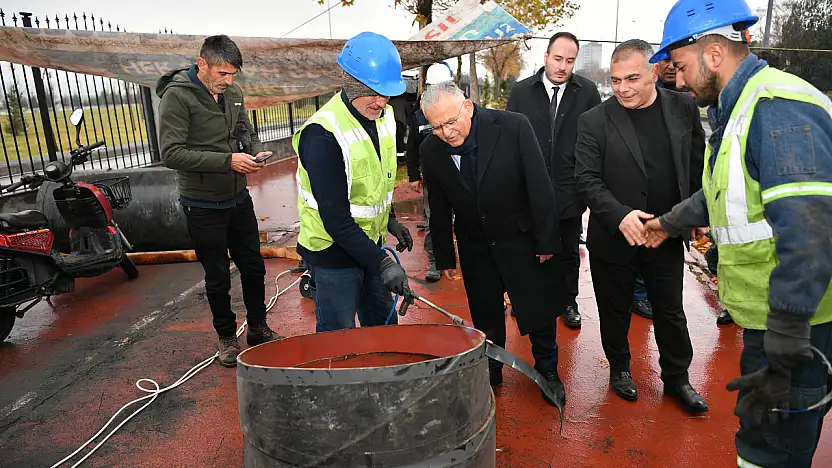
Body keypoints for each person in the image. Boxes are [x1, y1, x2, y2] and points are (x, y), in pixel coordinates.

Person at [644, 0, 832, 464]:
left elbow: (811, 228)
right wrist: (667, 224)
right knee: (761, 438)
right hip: (774, 319)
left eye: (682, 67)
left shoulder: (774, 107)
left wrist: (787, 341)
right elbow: (721, 193)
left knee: (771, 448)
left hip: (794, 325)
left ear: (712, 53)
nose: (681, 82)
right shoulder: (741, 109)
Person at [574, 39, 708, 413]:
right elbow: (585, 179)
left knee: (670, 311)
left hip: (665, 234)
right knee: (613, 311)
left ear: (653, 71)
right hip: (613, 238)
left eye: (632, 78)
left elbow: (696, 166)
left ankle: (678, 380)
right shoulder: (594, 121)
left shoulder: (683, 107)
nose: (623, 88)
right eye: (616, 81)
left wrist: (696, 216)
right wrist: (621, 215)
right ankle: (620, 370)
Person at [419, 81, 566, 407]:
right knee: (485, 314)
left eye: (451, 121)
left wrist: (547, 241)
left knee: (538, 311)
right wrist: (444, 257)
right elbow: (438, 205)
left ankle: (548, 372)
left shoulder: (513, 126)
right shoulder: (431, 149)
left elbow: (539, 185)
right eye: (436, 126)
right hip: (475, 245)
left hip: (522, 239)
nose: (446, 132)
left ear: (467, 107)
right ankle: (492, 369)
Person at [157, 35, 280, 367]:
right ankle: (226, 339)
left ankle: (257, 327)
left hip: (238, 198)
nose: (229, 81)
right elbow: (171, 153)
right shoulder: (176, 97)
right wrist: (228, 160)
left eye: (233, 74)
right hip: (202, 204)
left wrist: (254, 153)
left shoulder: (234, 94)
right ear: (202, 65)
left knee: (254, 267)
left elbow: (246, 133)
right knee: (217, 277)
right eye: (223, 74)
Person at [292, 32, 413, 333]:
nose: (382, 101)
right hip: (333, 252)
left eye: (387, 93)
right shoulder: (322, 135)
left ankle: (385, 377)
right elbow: (336, 221)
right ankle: (337, 382)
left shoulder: (383, 117)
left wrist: (391, 221)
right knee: (339, 336)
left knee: (384, 326)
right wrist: (383, 263)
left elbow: (377, 179)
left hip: (369, 244)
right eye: (373, 91)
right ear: (351, 81)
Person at [506, 32, 601, 330]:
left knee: (568, 251)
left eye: (570, 61)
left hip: (570, 188)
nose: (562, 66)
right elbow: (509, 140)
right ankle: (527, 301)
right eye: (558, 59)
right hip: (528, 190)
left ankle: (567, 301)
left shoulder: (587, 93)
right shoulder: (521, 91)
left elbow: (597, 140)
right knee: (528, 248)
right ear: (545, 56)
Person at [405, 62, 455, 282]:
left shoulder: (460, 110)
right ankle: (435, 260)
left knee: (463, 218)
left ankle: (459, 257)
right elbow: (411, 148)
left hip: (459, 176)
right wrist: (414, 175)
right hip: (432, 179)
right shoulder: (418, 117)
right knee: (433, 218)